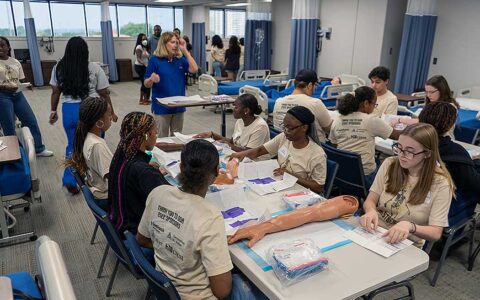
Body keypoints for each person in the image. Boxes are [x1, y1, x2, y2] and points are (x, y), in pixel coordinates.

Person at [136, 139, 266, 300]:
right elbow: (222, 291)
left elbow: (141, 239)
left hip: (165, 287)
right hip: (194, 296)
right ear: (217, 172)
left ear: (181, 167)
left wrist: (175, 249)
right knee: (258, 286)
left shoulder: (158, 193)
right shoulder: (209, 215)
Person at [360, 123, 454, 247]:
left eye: (410, 151)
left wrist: (410, 226)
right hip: (376, 232)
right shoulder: (390, 164)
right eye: (399, 147)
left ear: (427, 153)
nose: (402, 155)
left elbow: (436, 233)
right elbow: (371, 200)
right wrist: (370, 210)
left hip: (406, 243)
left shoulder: (441, 184)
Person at [49, 36, 117, 194]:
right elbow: (104, 93)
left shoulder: (58, 68)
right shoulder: (94, 68)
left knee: (73, 145)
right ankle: (94, 176)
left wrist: (53, 111)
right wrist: (111, 112)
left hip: (70, 111)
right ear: (86, 51)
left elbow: (55, 92)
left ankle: (70, 179)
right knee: (95, 145)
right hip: (93, 109)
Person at [230, 106, 327, 194]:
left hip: (299, 194)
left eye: (290, 128)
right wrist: (239, 155)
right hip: (280, 185)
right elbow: (259, 150)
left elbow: (318, 187)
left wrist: (290, 175)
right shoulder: (284, 138)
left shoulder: (316, 154)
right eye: (284, 126)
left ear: (304, 127)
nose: (285, 131)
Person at [108, 112, 169, 235]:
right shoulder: (144, 172)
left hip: (119, 222)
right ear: (147, 135)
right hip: (136, 231)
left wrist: (147, 168)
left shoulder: (121, 156)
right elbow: (170, 201)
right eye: (155, 132)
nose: (156, 136)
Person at [329, 86, 401, 186]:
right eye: (374, 104)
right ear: (366, 103)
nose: (374, 107)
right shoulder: (371, 121)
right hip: (365, 177)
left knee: (376, 161)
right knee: (387, 166)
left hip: (342, 174)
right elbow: (398, 136)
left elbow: (334, 147)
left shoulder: (337, 119)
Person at [228, 195, 359, 247]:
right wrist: (263, 227)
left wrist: (263, 228)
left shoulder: (350, 203)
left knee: (313, 211)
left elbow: (310, 213)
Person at [0, 36, 53, 157]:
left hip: (18, 94)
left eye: (3, 45)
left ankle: (39, 149)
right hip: (2, 97)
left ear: (8, 47)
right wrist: (5, 87)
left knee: (30, 120)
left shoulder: (15, 61)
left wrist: (26, 85)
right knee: (8, 125)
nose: (0, 48)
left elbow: (20, 79)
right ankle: (17, 153)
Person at [418, 102, 480, 198]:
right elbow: (475, 185)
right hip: (447, 202)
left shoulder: (412, 143)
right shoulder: (455, 152)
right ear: (450, 125)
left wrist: (470, 161)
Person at [144, 32, 198, 138]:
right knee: (161, 138)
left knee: (177, 138)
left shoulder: (180, 60)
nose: (175, 45)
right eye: (172, 42)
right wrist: (151, 79)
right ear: (164, 44)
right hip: (161, 108)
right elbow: (146, 84)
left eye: (177, 42)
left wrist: (185, 51)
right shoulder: (155, 60)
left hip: (178, 107)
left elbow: (194, 69)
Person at [65, 97, 112, 209]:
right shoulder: (97, 145)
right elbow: (114, 176)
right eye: (109, 115)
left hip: (97, 192)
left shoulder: (86, 137)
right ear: (99, 122)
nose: (111, 118)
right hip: (108, 198)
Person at [194, 94, 270, 153]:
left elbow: (249, 153)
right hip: (241, 157)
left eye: (236, 107)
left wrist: (226, 144)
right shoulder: (240, 121)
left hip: (255, 162)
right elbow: (233, 142)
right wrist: (213, 135)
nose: (233, 110)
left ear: (246, 110)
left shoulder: (260, 126)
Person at [272, 69, 332, 143]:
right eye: (315, 86)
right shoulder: (315, 103)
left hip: (283, 147)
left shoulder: (278, 102)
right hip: (310, 149)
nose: (314, 89)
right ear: (310, 86)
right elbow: (329, 128)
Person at [395, 75, 459, 139]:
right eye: (426, 92)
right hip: (428, 138)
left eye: (431, 92)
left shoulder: (449, 107)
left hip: (442, 140)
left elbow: (427, 123)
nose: (428, 95)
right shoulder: (431, 104)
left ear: (442, 90)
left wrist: (400, 120)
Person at [134, 33, 151, 105]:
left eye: (145, 39)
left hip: (145, 67)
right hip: (140, 67)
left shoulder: (144, 47)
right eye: (143, 39)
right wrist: (144, 64)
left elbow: (147, 57)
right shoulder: (139, 47)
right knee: (144, 83)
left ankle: (146, 98)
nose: (145, 40)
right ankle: (141, 100)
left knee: (146, 82)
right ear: (140, 40)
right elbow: (138, 58)